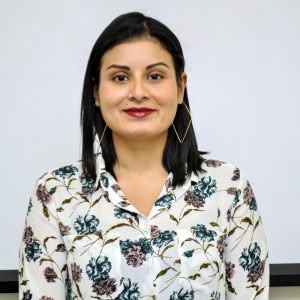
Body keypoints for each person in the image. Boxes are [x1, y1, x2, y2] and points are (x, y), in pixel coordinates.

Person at [19, 12, 269, 300]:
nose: (138, 92)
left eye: (155, 76)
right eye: (120, 77)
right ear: (96, 92)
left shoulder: (229, 187)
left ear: (180, 87)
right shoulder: (54, 193)